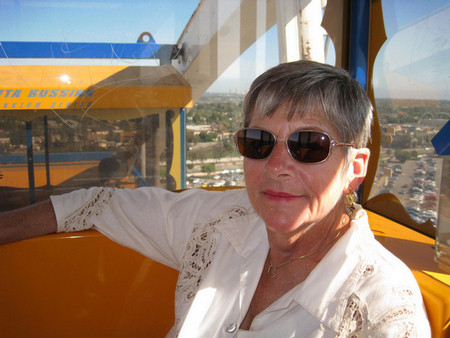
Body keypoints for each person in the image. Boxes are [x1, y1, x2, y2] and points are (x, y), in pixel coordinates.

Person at [0, 60, 430, 337]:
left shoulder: (385, 311)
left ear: (354, 170)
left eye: (309, 145)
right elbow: (96, 203)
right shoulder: (219, 220)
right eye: (260, 141)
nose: (278, 165)